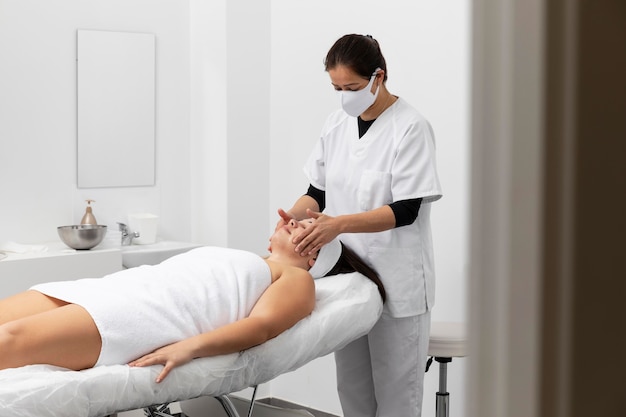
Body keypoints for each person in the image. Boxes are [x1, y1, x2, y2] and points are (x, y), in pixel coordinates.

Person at [276, 34, 442, 417]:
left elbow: (406, 210)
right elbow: (315, 192)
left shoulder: (411, 127)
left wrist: (337, 225)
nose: (344, 96)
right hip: (348, 278)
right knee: (352, 391)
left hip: (398, 282)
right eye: (336, 88)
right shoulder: (337, 124)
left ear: (377, 77)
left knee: (398, 396)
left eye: (351, 87)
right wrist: (294, 217)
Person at [0, 218, 383, 383]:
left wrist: (190, 348)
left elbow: (262, 327)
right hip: (118, 287)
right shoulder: (250, 259)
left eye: (303, 228)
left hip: (140, 315)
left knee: (10, 340)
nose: (293, 220)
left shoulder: (297, 279)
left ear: (313, 255)